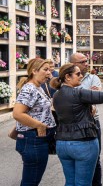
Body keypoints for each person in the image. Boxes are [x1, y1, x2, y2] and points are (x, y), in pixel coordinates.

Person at [13, 58, 56, 186]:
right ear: (34, 71)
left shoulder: (38, 87)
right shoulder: (30, 89)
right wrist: (39, 125)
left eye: (50, 69)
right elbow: (17, 113)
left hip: (36, 140)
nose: (49, 73)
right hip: (33, 140)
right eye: (45, 69)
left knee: (32, 179)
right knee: (30, 181)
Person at [70, 52, 103, 186]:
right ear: (73, 64)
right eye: (82, 62)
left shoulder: (93, 77)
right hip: (73, 123)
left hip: (92, 121)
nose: (86, 64)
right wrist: (88, 93)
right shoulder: (66, 78)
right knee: (75, 158)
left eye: (86, 61)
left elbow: (97, 95)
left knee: (95, 157)